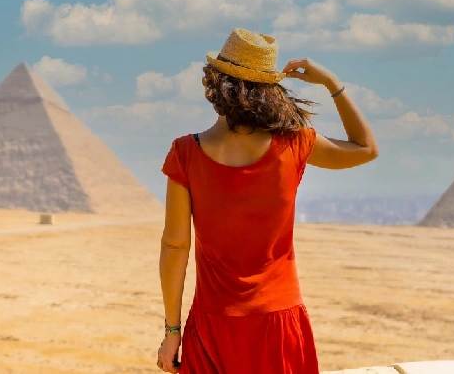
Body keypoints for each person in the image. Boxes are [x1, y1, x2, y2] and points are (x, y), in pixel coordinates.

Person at [156, 28, 379, 373]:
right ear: (269, 91)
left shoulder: (185, 153)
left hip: (213, 326)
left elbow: (175, 245)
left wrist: (172, 331)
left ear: (214, 83)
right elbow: (365, 148)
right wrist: (332, 84)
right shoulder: (296, 143)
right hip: (279, 322)